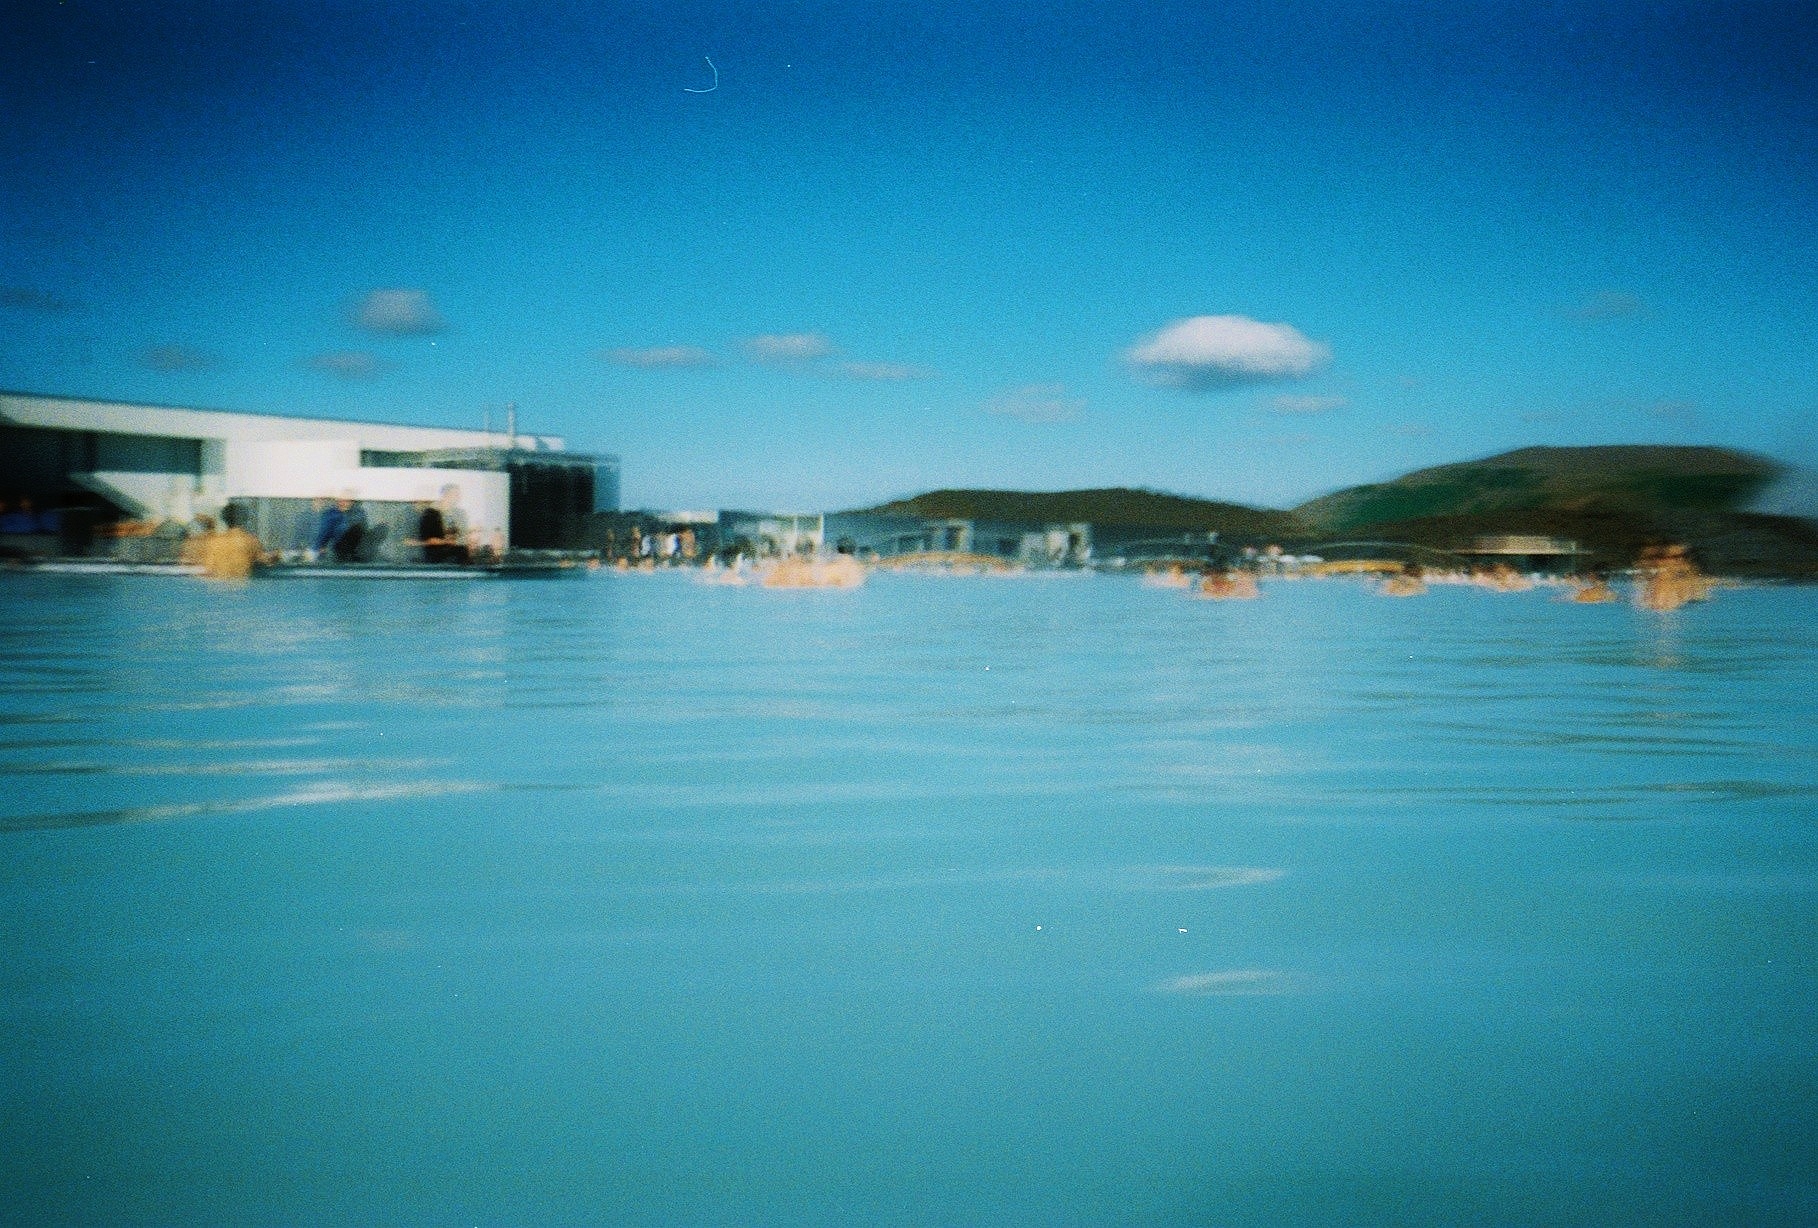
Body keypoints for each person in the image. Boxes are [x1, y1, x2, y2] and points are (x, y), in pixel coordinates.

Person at [201, 503, 264, 581]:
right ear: (245, 519)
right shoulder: (251, 541)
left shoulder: (214, 541)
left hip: (218, 587)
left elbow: (209, 569)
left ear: (224, 519)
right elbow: (264, 561)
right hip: (242, 587)